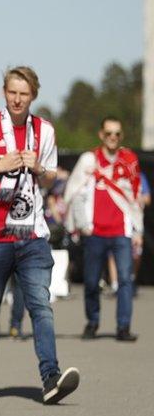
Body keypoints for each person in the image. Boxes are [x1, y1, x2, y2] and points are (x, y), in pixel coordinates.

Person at [0, 65, 80, 405]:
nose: (18, 99)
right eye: (12, 92)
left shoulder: (45, 131)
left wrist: (39, 169)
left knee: (41, 305)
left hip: (33, 234)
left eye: (24, 94)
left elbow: (51, 179)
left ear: (33, 96)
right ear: (4, 92)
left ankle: (50, 376)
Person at [64, 116, 141, 342]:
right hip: (95, 232)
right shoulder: (89, 161)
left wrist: (137, 229)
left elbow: (134, 198)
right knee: (91, 280)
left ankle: (123, 327)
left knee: (125, 280)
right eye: (109, 133)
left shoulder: (129, 161)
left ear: (121, 136)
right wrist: (80, 224)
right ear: (101, 135)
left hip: (121, 232)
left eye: (117, 134)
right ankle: (93, 322)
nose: (113, 138)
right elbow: (73, 191)